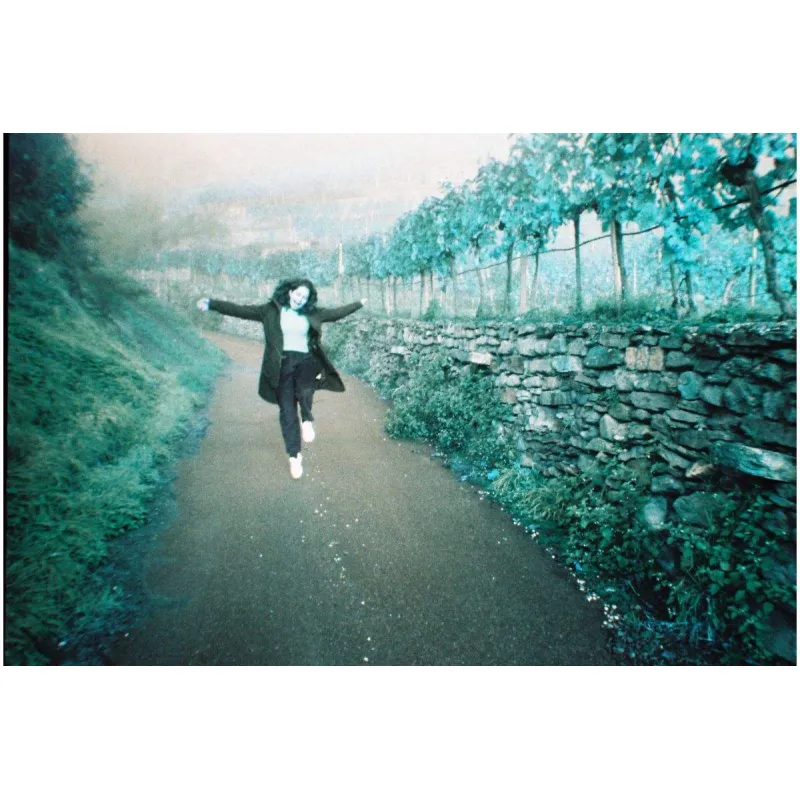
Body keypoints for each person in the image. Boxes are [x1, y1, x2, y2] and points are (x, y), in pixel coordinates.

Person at [197, 278, 365, 479]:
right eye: (298, 294)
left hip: (306, 360)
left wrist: (358, 304)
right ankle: (294, 456)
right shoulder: (269, 311)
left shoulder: (313, 313)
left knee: (305, 388)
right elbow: (239, 310)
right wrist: (212, 304)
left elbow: (336, 314)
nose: (300, 299)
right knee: (287, 411)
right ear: (290, 292)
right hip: (281, 365)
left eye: (305, 297)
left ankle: (307, 420)